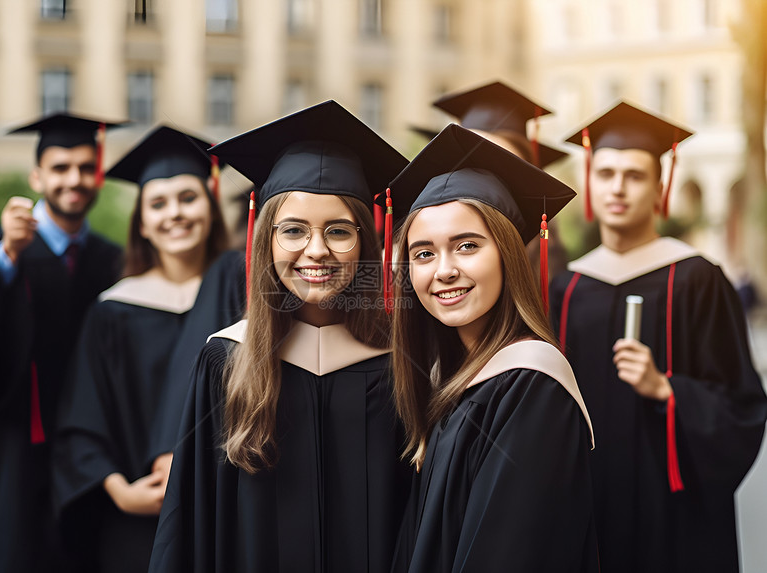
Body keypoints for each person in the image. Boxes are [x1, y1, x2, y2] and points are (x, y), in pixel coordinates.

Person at [148, 100, 413, 573]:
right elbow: (189, 526)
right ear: (265, 241)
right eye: (292, 231)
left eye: (339, 231)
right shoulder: (225, 360)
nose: (317, 250)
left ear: (366, 244)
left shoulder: (400, 365)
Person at [550, 101, 767, 573]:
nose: (618, 188)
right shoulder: (565, 288)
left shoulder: (697, 280)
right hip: (590, 503)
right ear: (589, 181)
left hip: (674, 517)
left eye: (635, 175)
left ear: (659, 186)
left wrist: (667, 389)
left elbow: (743, 405)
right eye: (606, 173)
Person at [387, 124, 597, 573]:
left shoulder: (532, 387)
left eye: (467, 246)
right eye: (423, 253)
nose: (444, 270)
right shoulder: (445, 377)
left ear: (507, 254)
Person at [52, 125, 246, 572]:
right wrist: (118, 489)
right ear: (141, 221)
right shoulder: (114, 310)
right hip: (138, 519)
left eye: (188, 198)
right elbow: (82, 418)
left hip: (230, 510)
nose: (174, 214)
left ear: (211, 204)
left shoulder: (244, 295)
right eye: (158, 204)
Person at [0, 113, 124, 573]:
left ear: (98, 175)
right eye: (60, 168)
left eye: (85, 167)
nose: (74, 180)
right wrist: (8, 256)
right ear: (36, 176)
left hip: (90, 456)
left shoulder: (113, 261)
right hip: (14, 456)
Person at [411, 80, 570, 283]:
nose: (483, 180)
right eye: (470, 163)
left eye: (502, 166)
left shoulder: (557, 279)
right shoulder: (412, 263)